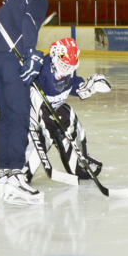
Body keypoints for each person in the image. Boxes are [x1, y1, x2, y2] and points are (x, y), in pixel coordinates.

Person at [0, 0, 49, 205]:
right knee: (19, 115)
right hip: (9, 59)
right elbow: (30, 20)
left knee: (6, 117)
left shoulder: (6, 8)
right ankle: (17, 177)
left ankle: (4, 173)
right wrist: (30, 52)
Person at [23, 38, 110, 182]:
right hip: (35, 116)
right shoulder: (39, 68)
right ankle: (19, 167)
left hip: (54, 113)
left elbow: (73, 84)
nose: (65, 70)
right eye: (63, 65)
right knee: (24, 172)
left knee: (69, 117)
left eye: (69, 67)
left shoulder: (68, 71)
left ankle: (81, 161)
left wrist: (88, 87)